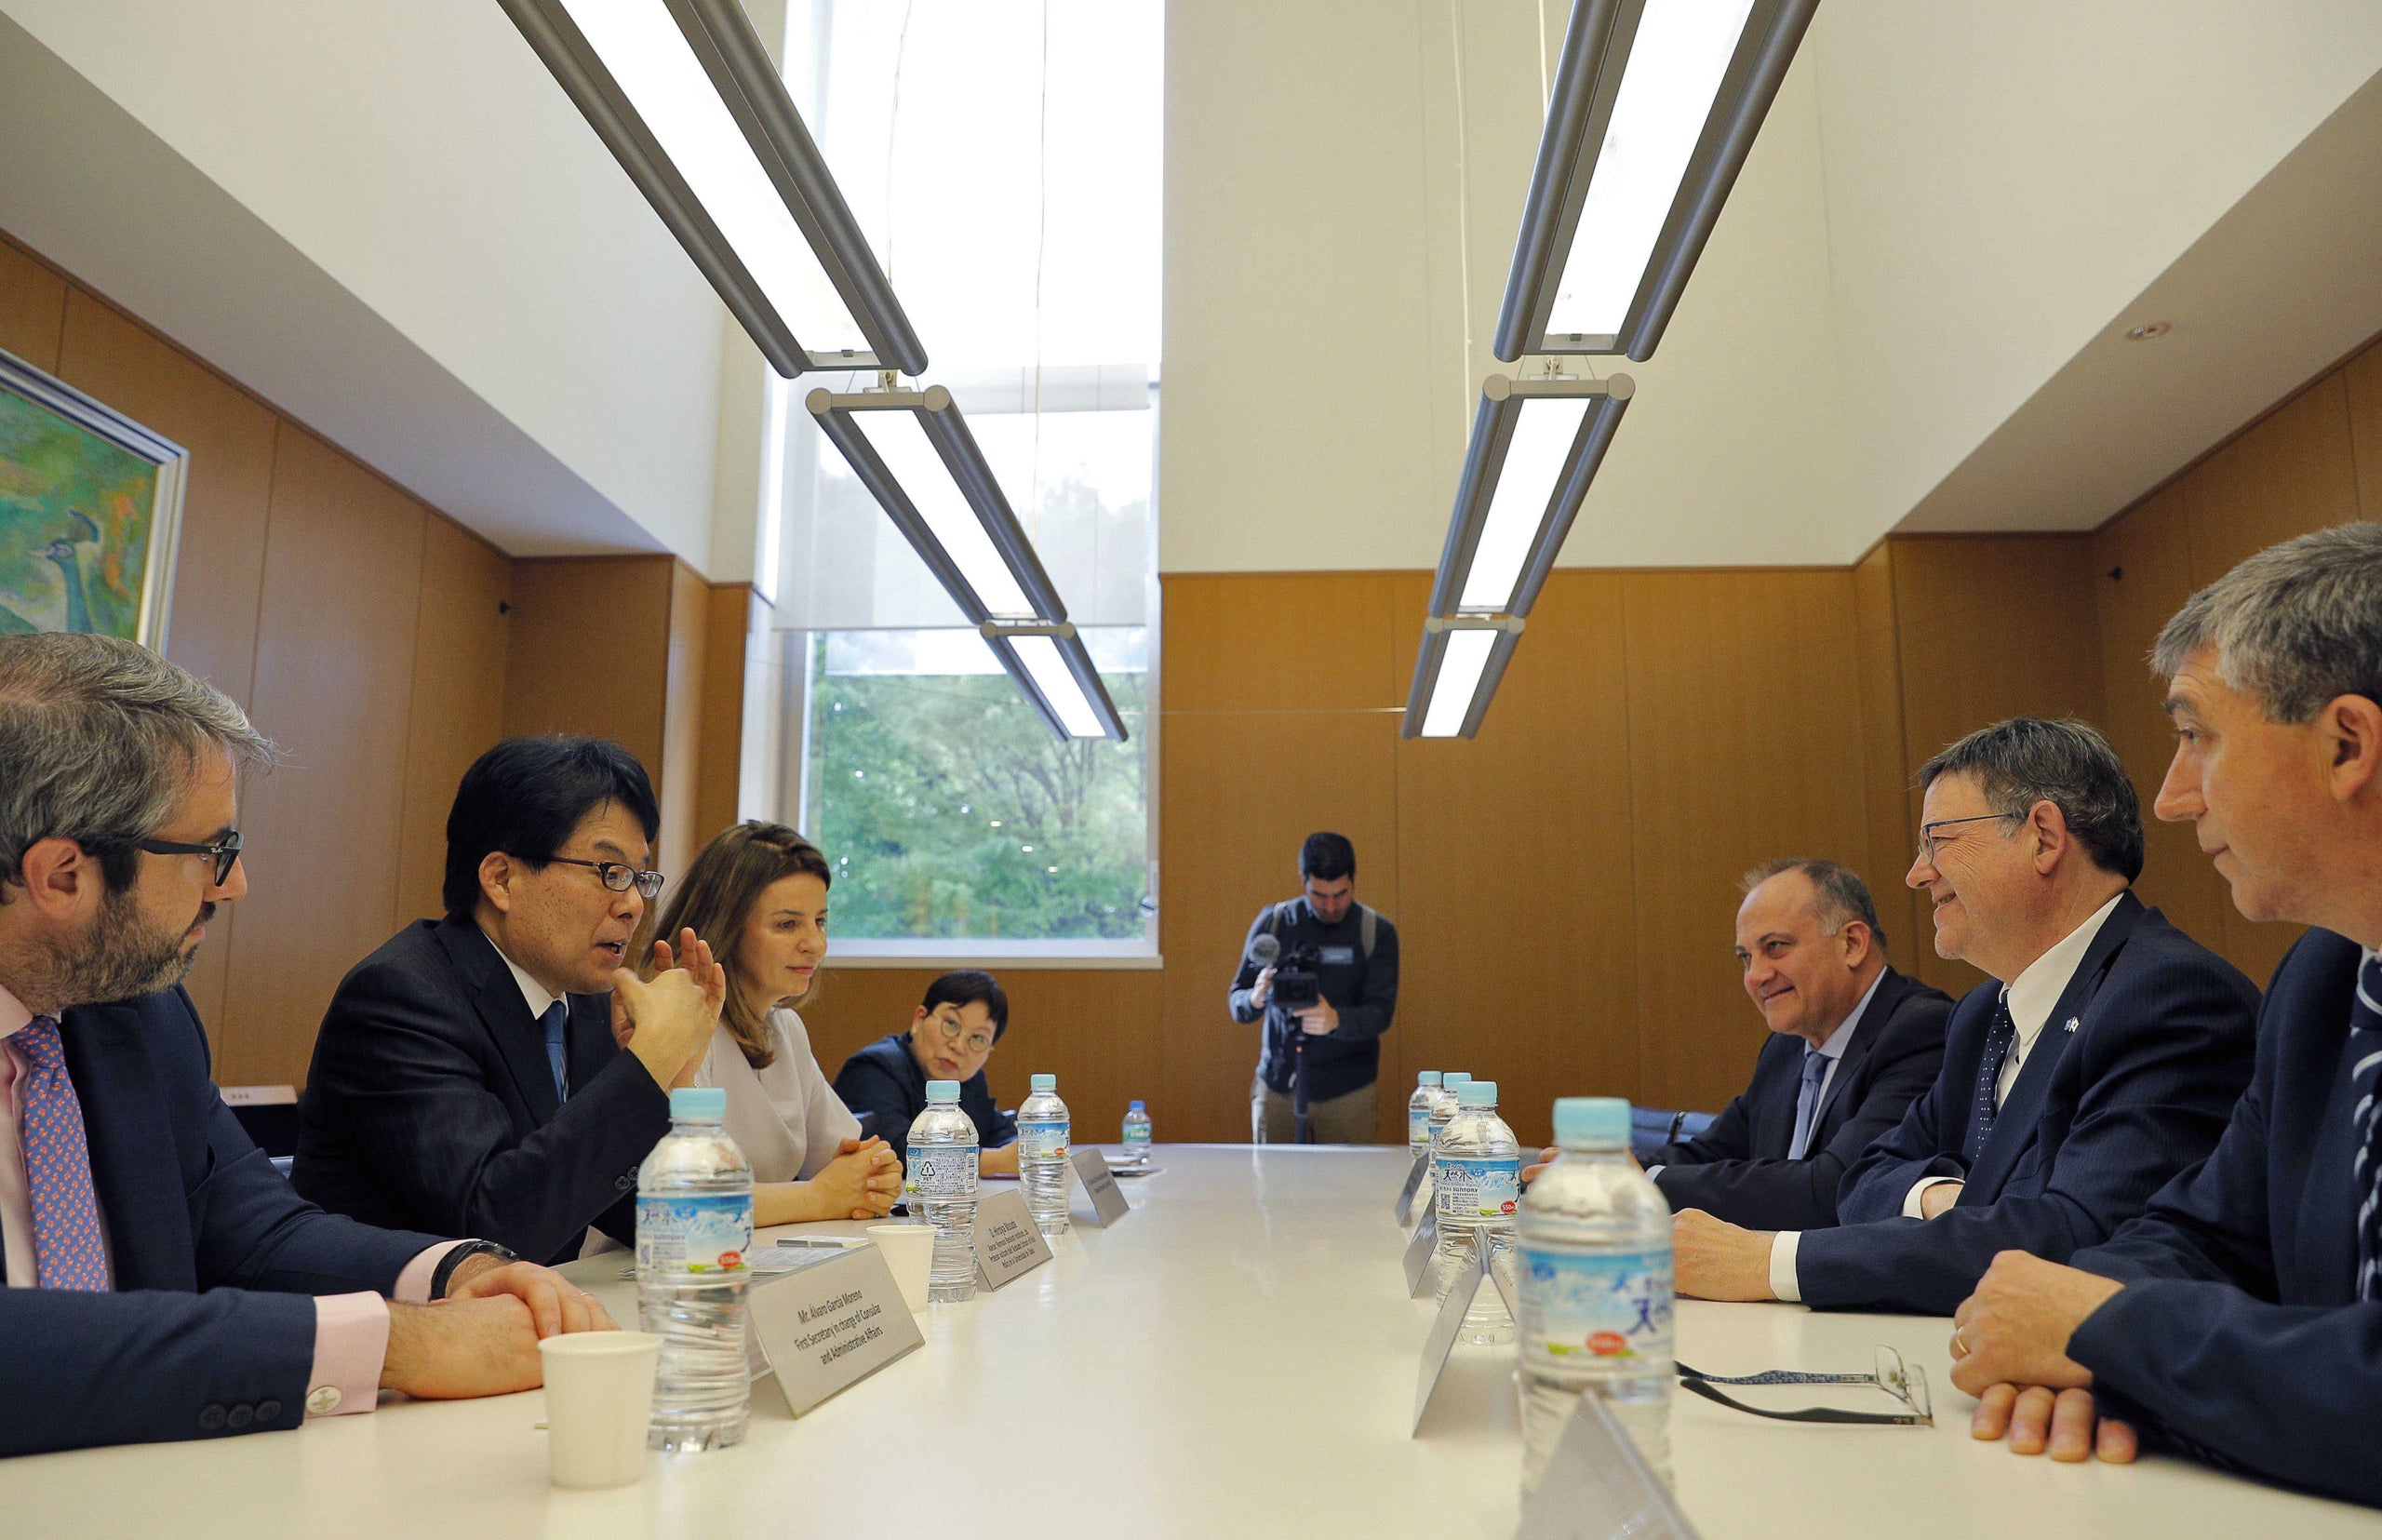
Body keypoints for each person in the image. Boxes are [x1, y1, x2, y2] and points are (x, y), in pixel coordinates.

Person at [0, 634, 614, 1457]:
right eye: (213, 852)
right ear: (63, 875)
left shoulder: (135, 1015)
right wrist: (397, 1344)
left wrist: (457, 1272)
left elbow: (250, 1224)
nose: (235, 884)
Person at [1949, 524, 2382, 1507]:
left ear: (2346, 743)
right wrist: (2072, 1327)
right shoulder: (2321, 981)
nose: (2173, 797)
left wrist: (2102, 1334)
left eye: (2198, 736)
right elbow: (2202, 1232)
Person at [1671, 716, 2259, 1315]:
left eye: (1939, 841)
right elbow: (1865, 1177)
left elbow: (2077, 1239)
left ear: (2044, 837)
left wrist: (1770, 1263)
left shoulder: (2167, 996)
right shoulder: (1982, 1014)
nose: (1916, 873)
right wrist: (1945, 1200)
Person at [294, 738, 726, 1267]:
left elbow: (638, 1216)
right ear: (501, 879)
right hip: (398, 1332)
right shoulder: (400, 999)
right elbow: (494, 1232)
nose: (633, 904)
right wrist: (645, 1065)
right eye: (609, 873)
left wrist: (671, 1079)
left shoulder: (581, 1002)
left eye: (639, 877)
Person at [1626, 860, 1953, 1229]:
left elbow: (1838, 1188)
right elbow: (1713, 1150)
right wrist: (1614, 1168)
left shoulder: (1921, 1032)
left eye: (1775, 947)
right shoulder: (1786, 1046)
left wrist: (1640, 1181)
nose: (1756, 976)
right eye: (1746, 958)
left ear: (1853, 943)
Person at [649, 822, 902, 1225]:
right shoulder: (676, 1021)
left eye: (820, 921)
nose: (815, 944)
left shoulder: (786, 1028)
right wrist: (819, 1196)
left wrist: (876, 1175)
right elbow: (689, 1199)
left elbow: (852, 1160)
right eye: (787, 924)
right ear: (725, 926)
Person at [1227, 832, 1400, 1144]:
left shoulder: (1376, 932)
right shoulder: (1275, 923)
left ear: (1354, 880)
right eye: (1319, 895)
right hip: (1278, 1089)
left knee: (1350, 1192)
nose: (1332, 906)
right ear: (1303, 880)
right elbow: (1236, 999)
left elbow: (1381, 1013)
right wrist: (1254, 998)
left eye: (1341, 894)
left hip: (1347, 1095)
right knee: (1271, 1191)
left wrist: (1336, 1021)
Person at [833, 971, 1021, 1175]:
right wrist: (997, 1161)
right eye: (950, 1025)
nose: (958, 1046)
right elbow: (894, 1154)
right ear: (919, 1019)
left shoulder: (967, 1081)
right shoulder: (873, 1069)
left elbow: (994, 1131)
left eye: (978, 1038)